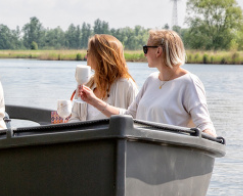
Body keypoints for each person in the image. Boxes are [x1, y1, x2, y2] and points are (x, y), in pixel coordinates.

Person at [78, 29, 217, 136]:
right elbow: (129, 117)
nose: (144, 54)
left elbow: (205, 126)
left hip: (171, 157)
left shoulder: (189, 83)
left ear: (158, 51)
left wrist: (210, 143)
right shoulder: (151, 80)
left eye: (146, 49)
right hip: (144, 155)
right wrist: (93, 101)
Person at [72, 34, 138, 121]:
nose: (85, 56)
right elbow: (74, 117)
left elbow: (136, 122)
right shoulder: (87, 83)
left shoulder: (127, 86)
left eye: (89, 52)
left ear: (101, 57)